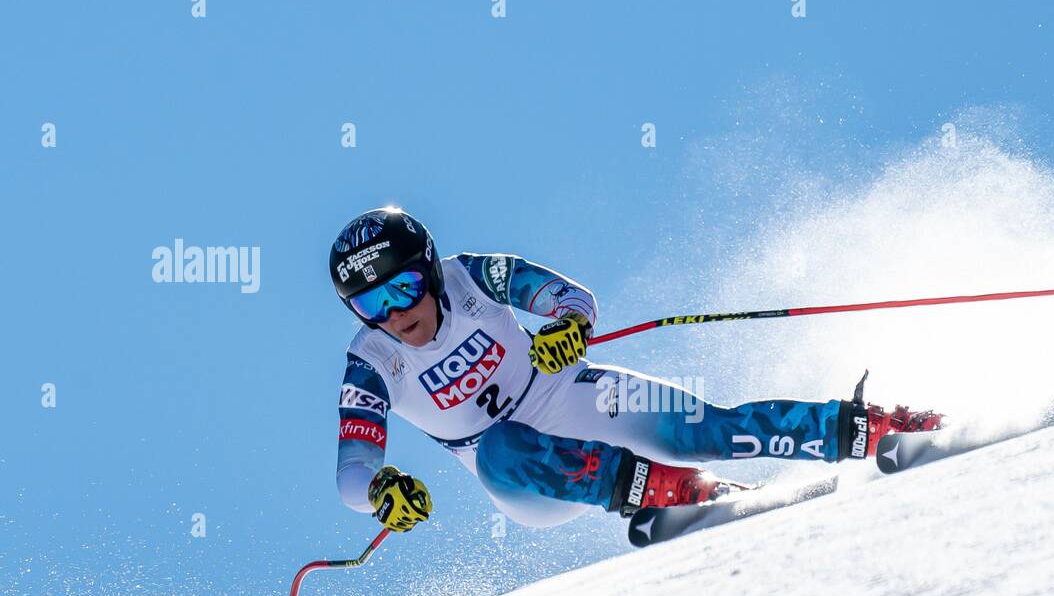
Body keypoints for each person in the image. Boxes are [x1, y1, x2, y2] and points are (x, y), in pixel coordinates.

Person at [331, 207, 940, 532]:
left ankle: (872, 427)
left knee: (708, 430)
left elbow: (570, 298)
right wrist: (381, 491)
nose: (395, 313)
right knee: (500, 444)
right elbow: (352, 474)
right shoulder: (371, 363)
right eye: (370, 304)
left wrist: (567, 328)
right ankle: (664, 490)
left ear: (431, 271)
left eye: (404, 287)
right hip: (530, 481)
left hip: (570, 394)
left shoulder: (473, 276)